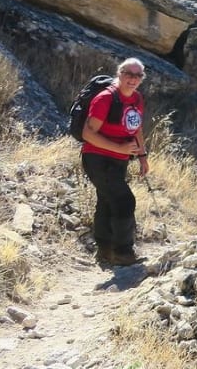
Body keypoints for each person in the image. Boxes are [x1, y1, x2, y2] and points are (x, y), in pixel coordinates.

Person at [80, 57, 149, 267]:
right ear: (120, 74)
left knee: (107, 200)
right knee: (124, 201)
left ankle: (105, 250)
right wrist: (120, 148)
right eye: (129, 74)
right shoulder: (105, 99)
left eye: (138, 75)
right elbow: (88, 134)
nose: (133, 79)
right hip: (97, 159)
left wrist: (142, 156)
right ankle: (123, 252)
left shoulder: (136, 98)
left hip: (119, 161)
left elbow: (135, 127)